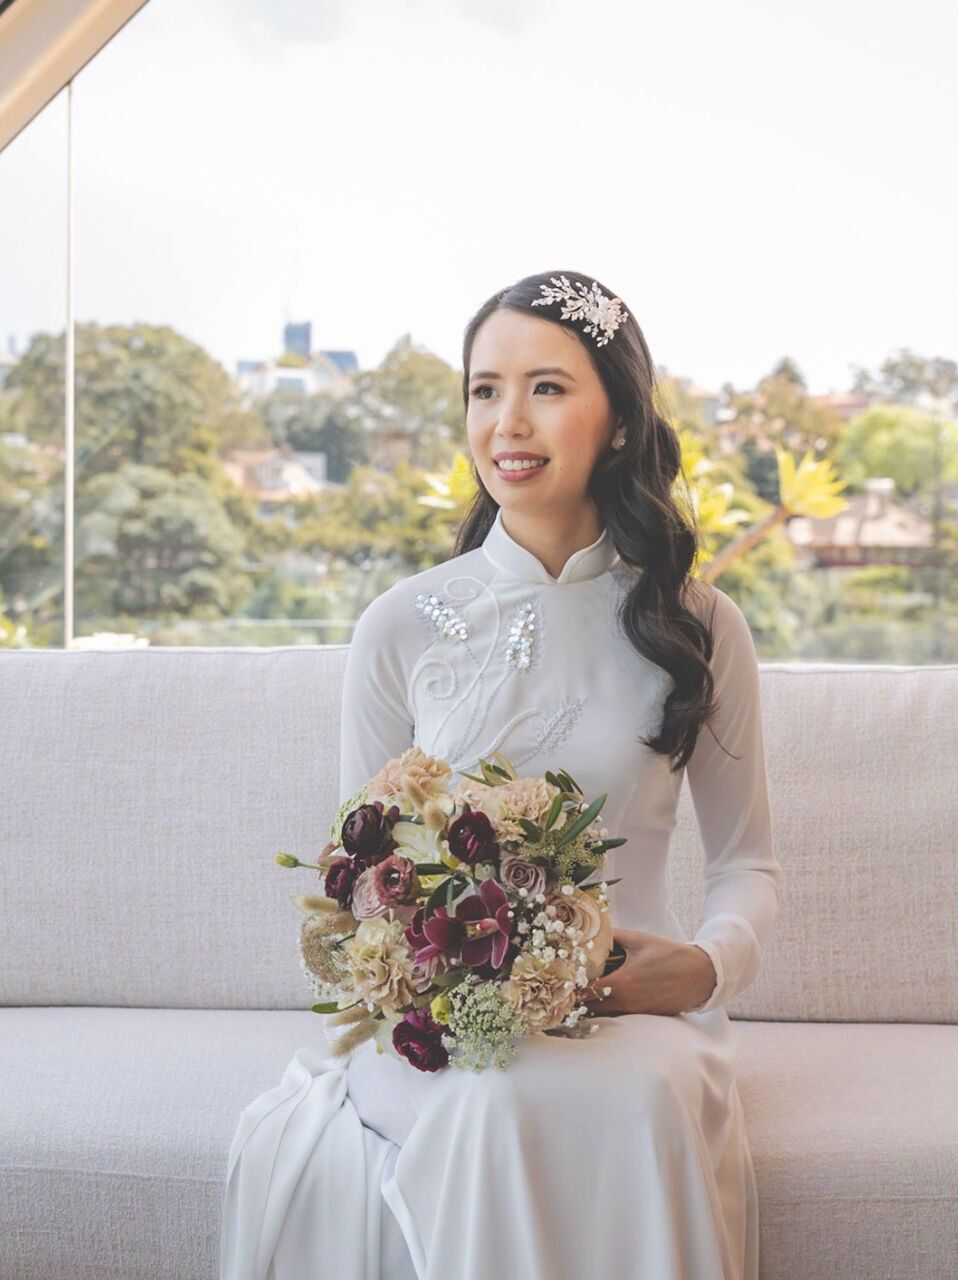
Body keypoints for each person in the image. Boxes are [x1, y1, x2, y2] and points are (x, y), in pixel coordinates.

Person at [220, 269, 782, 1280]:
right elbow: (357, 876)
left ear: (617, 421)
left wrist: (702, 967)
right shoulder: (398, 625)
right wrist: (419, 976)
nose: (507, 422)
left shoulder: (698, 625)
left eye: (548, 388)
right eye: (484, 389)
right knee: (492, 1099)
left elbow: (750, 865)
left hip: (636, 1017)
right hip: (447, 1029)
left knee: (640, 1096)